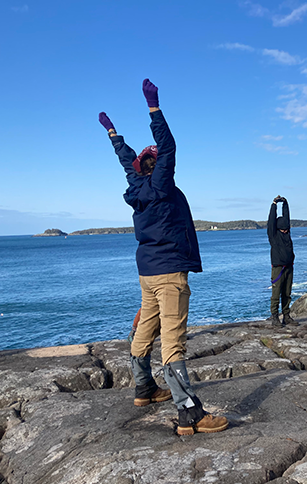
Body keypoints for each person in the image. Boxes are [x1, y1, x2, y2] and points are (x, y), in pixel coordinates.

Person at [98, 79, 228, 436]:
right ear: (156, 166)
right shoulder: (161, 183)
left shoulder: (137, 185)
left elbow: (126, 159)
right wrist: (153, 107)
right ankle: (189, 413)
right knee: (173, 340)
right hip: (170, 272)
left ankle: (143, 388)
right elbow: (168, 146)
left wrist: (112, 133)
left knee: (145, 329)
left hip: (147, 272)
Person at [267, 196, 297, 326]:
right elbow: (271, 221)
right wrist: (274, 205)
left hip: (289, 266)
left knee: (287, 293)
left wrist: (285, 203)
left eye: (286, 229)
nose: (285, 231)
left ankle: (286, 315)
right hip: (278, 268)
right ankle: (274, 317)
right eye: (283, 229)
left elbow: (287, 217)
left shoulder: (287, 232)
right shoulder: (273, 235)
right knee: (276, 293)